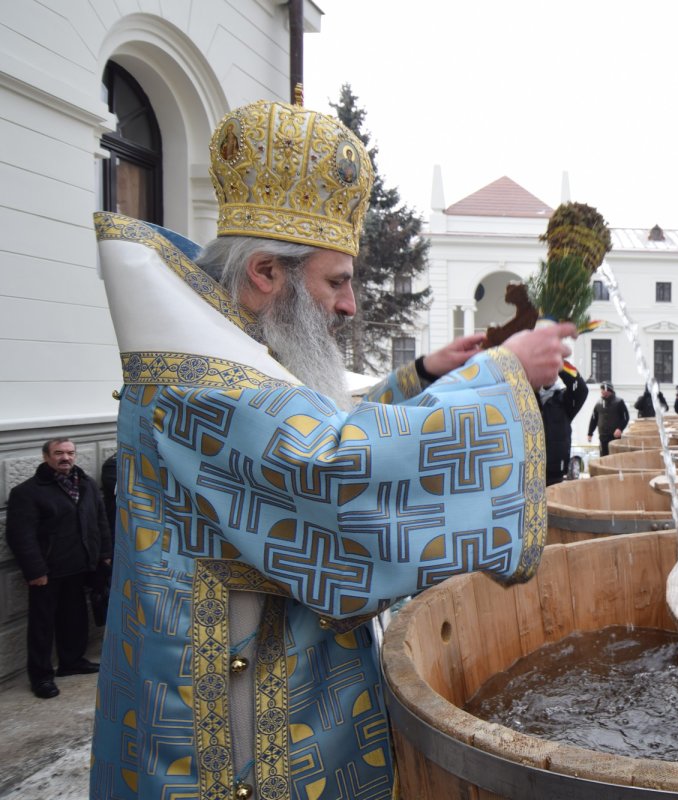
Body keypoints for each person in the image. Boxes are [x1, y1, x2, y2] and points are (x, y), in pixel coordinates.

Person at [89, 98, 574, 800]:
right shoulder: (200, 383)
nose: (349, 304)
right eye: (337, 280)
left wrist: (422, 376)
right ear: (266, 272)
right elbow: (333, 469)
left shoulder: (228, 350)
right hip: (237, 738)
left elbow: (304, 426)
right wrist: (502, 376)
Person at [5, 438, 111, 699]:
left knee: (75, 618)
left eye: (70, 453)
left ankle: (71, 661)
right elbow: (21, 536)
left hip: (79, 566)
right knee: (42, 626)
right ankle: (41, 676)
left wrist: (104, 554)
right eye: (59, 453)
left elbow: (100, 520)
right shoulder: (27, 492)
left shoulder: (85, 484)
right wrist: (35, 571)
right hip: (48, 571)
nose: (66, 457)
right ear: (46, 457)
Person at [540, 366, 589, 485]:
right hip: (531, 467)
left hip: (555, 469)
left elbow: (581, 389)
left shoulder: (564, 400)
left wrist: (559, 364)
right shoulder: (529, 398)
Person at [587, 381, 630, 456]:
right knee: (604, 457)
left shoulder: (619, 402)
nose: (601, 391)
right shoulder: (599, 403)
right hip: (602, 437)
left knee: (615, 457)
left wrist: (620, 429)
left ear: (609, 390)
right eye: (601, 389)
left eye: (603, 389)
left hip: (614, 437)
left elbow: (625, 417)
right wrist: (590, 433)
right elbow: (594, 419)